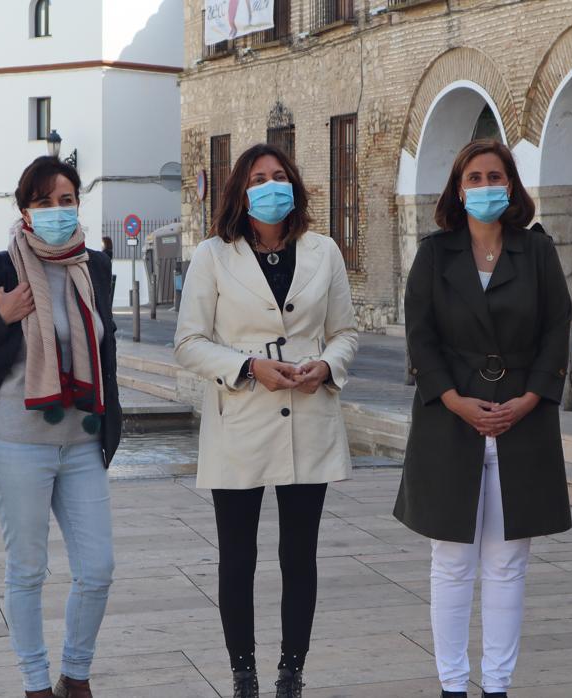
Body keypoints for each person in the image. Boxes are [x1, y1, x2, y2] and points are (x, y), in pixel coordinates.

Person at [0, 156, 119, 698]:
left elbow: (107, 354)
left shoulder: (96, 267)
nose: (56, 211)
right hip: (18, 441)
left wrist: (111, 424)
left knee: (98, 569)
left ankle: (74, 675)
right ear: (24, 210)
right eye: (43, 201)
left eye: (66, 200)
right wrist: (0, 317)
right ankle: (36, 683)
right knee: (28, 569)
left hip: (81, 441)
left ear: (78, 203)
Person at [174, 143, 358, 698]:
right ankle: (244, 673)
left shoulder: (324, 251)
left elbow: (346, 331)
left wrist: (326, 363)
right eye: (259, 177)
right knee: (239, 556)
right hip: (241, 420)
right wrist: (249, 366)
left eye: (279, 176)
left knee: (299, 555)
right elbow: (187, 342)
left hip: (309, 416)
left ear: (295, 185)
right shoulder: (213, 255)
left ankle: (291, 672)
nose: (271, 185)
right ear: (241, 190)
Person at [393, 139, 572, 698]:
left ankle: (496, 685)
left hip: (524, 420)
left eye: (495, 176)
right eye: (474, 177)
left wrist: (532, 398)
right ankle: (452, 684)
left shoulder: (537, 253)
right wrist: (451, 398)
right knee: (451, 560)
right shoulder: (434, 253)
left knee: (507, 563)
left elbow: (555, 330)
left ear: (512, 186)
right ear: (458, 187)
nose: (485, 186)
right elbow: (419, 335)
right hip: (451, 421)